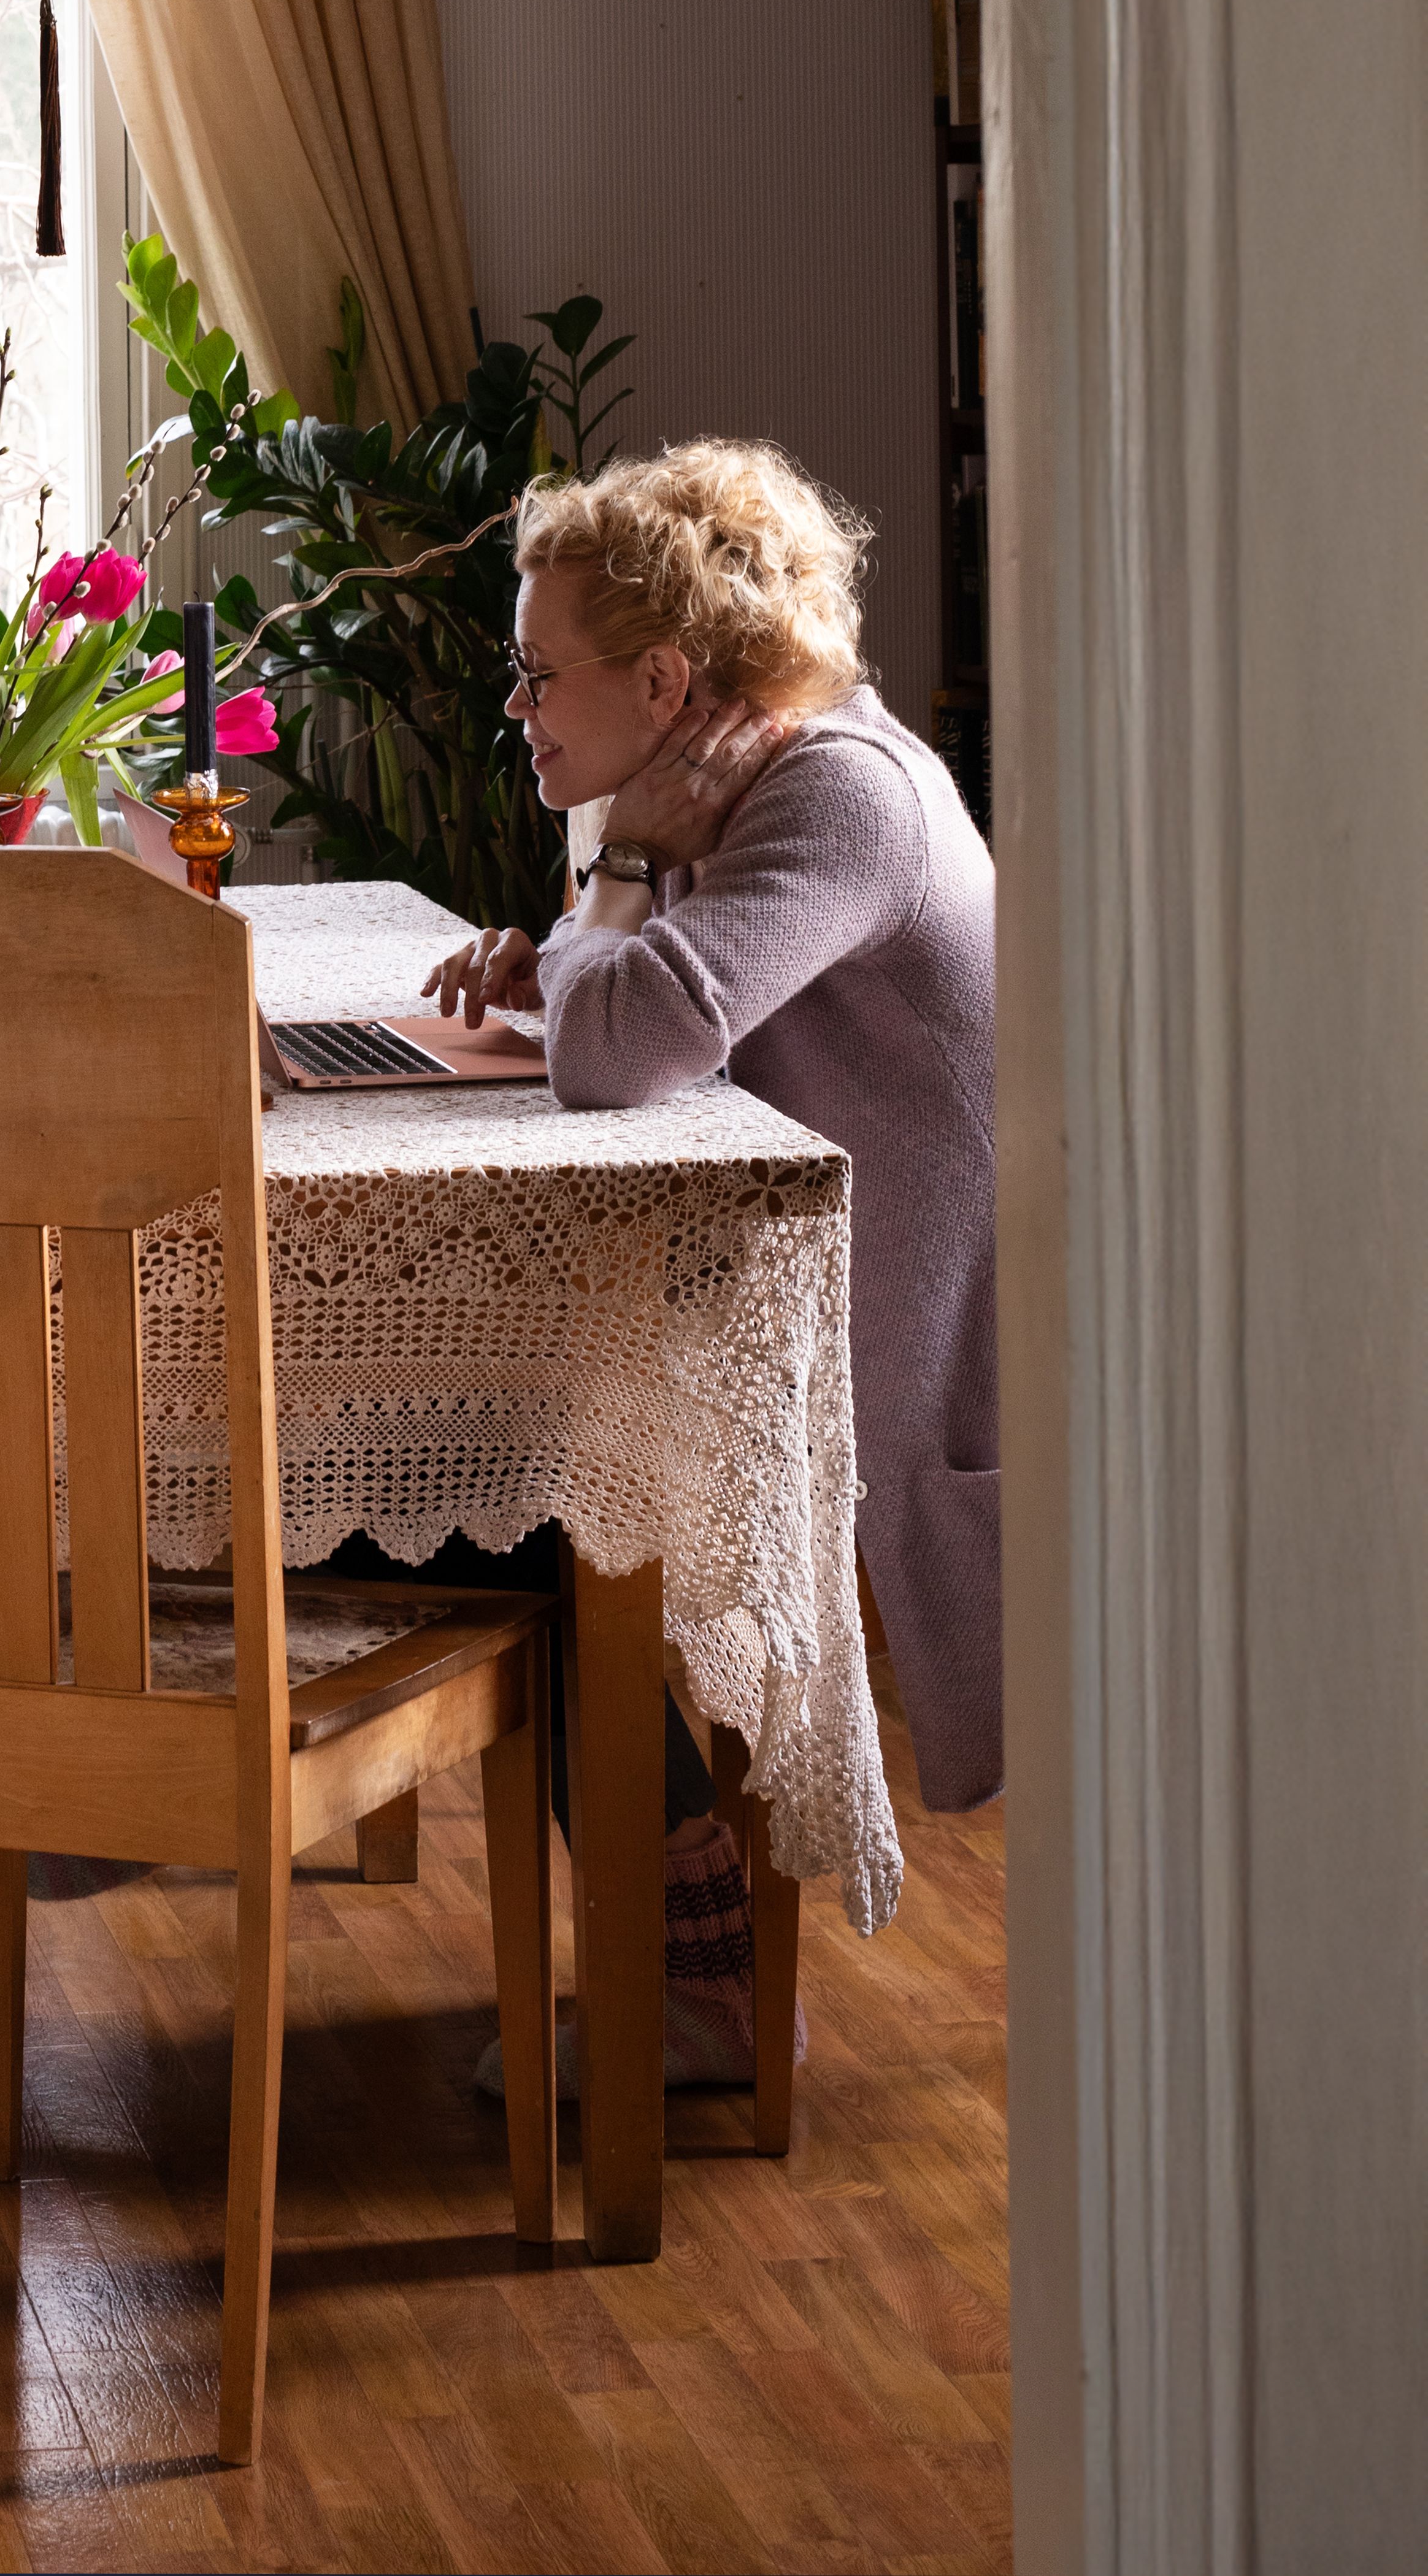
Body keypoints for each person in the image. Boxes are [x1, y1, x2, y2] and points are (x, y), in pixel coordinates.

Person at [415, 436, 999, 2087]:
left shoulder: (836, 791)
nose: (516, 711)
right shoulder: (726, 778)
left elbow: (629, 1047)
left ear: (662, 678)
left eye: (539, 677)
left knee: (512, 1488)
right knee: (478, 1468)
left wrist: (598, 887)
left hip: (888, 1349)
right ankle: (688, 1953)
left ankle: (711, 1983)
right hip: (771, 1288)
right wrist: (556, 968)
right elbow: (648, 1018)